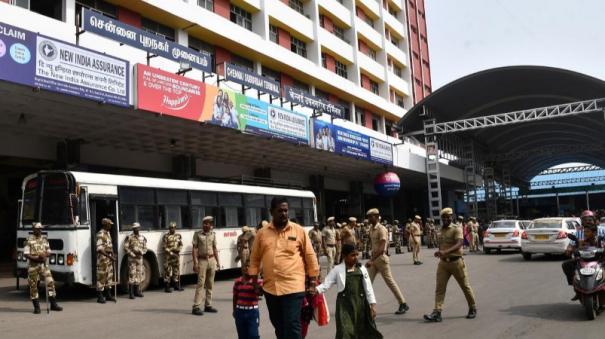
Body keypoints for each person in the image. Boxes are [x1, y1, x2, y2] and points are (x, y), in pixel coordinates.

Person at [248, 196, 319, 339]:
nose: (284, 214)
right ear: (271, 212)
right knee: (278, 325)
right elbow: (254, 259)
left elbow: (310, 257)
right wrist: (255, 283)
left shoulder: (299, 231)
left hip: (294, 287)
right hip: (271, 288)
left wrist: (312, 282)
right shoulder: (262, 233)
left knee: (292, 325)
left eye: (286, 211)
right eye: (280, 211)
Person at [315, 244, 382, 339]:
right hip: (344, 307)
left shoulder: (362, 269)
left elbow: (368, 288)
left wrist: (373, 305)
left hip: (361, 306)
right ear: (344, 256)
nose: (355, 257)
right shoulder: (337, 270)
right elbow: (326, 284)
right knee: (345, 331)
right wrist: (316, 290)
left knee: (362, 332)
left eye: (356, 254)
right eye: (352, 255)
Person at [424, 208, 477, 322]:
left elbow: (459, 243)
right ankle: (437, 312)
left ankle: (472, 307)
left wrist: (445, 252)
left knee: (465, 286)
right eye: (444, 217)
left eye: (448, 217)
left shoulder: (456, 228)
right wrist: (440, 252)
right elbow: (442, 245)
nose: (446, 219)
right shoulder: (440, 230)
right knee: (439, 288)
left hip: (456, 262)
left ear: (451, 217)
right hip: (443, 264)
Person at [365, 208, 409, 315]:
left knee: (390, 282)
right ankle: (364, 305)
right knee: (367, 282)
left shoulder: (381, 229)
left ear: (376, 216)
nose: (369, 218)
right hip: (374, 259)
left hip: (380, 259)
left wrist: (371, 260)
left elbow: (382, 248)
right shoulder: (371, 229)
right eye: (368, 216)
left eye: (371, 216)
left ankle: (402, 303)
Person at [562, 210, 604, 300]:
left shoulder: (602, 230)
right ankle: (577, 289)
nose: (587, 221)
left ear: (594, 219)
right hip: (583, 258)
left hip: (600, 257)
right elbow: (572, 243)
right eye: (585, 220)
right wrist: (569, 249)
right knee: (566, 265)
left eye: (589, 219)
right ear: (582, 221)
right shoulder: (579, 232)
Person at [24, 222, 63, 314]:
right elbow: (26, 254)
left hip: (44, 266)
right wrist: (37, 258)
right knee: (33, 286)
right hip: (33, 267)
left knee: (50, 282)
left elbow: (49, 251)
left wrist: (44, 255)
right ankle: (37, 307)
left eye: (41, 228)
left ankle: (53, 304)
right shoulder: (28, 240)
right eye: (38, 228)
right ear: (33, 229)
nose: (40, 230)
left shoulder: (44, 239)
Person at [192, 216, 220, 315]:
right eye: (204, 223)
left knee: (210, 284)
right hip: (202, 261)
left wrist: (218, 262)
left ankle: (208, 305)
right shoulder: (197, 234)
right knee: (200, 283)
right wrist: (195, 263)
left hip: (211, 260)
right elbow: (194, 249)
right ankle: (196, 306)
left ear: (211, 225)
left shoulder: (213, 235)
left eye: (207, 223)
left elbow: (215, 248)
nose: (205, 225)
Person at [233, 261, 263, 339]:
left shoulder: (258, 282)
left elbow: (259, 293)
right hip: (240, 311)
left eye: (249, 267)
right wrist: (234, 310)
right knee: (242, 335)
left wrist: (254, 280)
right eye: (245, 266)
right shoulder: (238, 281)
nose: (247, 268)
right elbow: (235, 297)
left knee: (253, 335)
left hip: (252, 312)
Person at [124, 222, 148, 299]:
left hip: (140, 258)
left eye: (137, 228)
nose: (136, 229)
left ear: (139, 228)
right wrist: (133, 254)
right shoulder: (129, 237)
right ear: (133, 229)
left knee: (139, 274)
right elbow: (126, 248)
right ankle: (131, 293)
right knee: (132, 274)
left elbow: (145, 248)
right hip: (132, 259)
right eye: (134, 228)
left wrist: (142, 252)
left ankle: (137, 291)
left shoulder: (142, 237)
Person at [96, 217, 116, 304]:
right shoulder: (101, 234)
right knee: (101, 278)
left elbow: (109, 246)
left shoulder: (108, 233)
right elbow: (100, 249)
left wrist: (112, 253)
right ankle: (100, 297)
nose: (111, 226)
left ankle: (108, 295)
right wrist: (110, 256)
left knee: (109, 277)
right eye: (109, 224)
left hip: (108, 260)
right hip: (102, 260)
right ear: (105, 225)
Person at [162, 221, 184, 293]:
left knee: (176, 271)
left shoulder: (178, 236)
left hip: (176, 256)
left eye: (174, 228)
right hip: (168, 256)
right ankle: (167, 287)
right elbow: (164, 247)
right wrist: (171, 253)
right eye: (171, 228)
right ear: (169, 228)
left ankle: (176, 286)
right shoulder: (166, 236)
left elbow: (181, 244)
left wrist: (179, 250)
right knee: (167, 271)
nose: (172, 229)